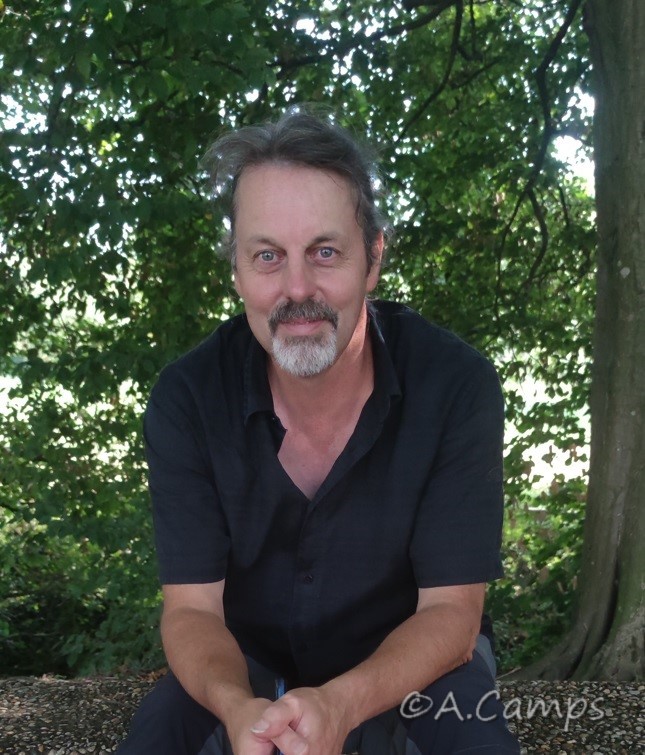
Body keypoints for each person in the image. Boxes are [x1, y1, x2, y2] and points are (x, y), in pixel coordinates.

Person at [118, 108, 521, 755]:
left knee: (475, 741)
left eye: (325, 252)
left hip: (413, 660)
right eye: (267, 256)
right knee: (158, 736)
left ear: (372, 260)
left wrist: (340, 704)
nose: (297, 287)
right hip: (243, 665)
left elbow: (450, 614)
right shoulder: (187, 399)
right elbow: (192, 611)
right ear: (237, 271)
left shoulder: (455, 386)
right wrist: (237, 708)